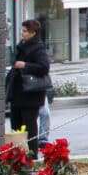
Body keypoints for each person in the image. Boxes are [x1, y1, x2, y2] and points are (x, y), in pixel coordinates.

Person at [6, 18, 52, 153]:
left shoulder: (38, 47)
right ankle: (18, 155)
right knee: (16, 126)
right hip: (17, 93)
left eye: (25, 31)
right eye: (22, 30)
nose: (22, 33)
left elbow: (44, 67)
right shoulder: (22, 45)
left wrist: (25, 65)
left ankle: (32, 155)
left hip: (30, 95)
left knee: (29, 127)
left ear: (33, 33)